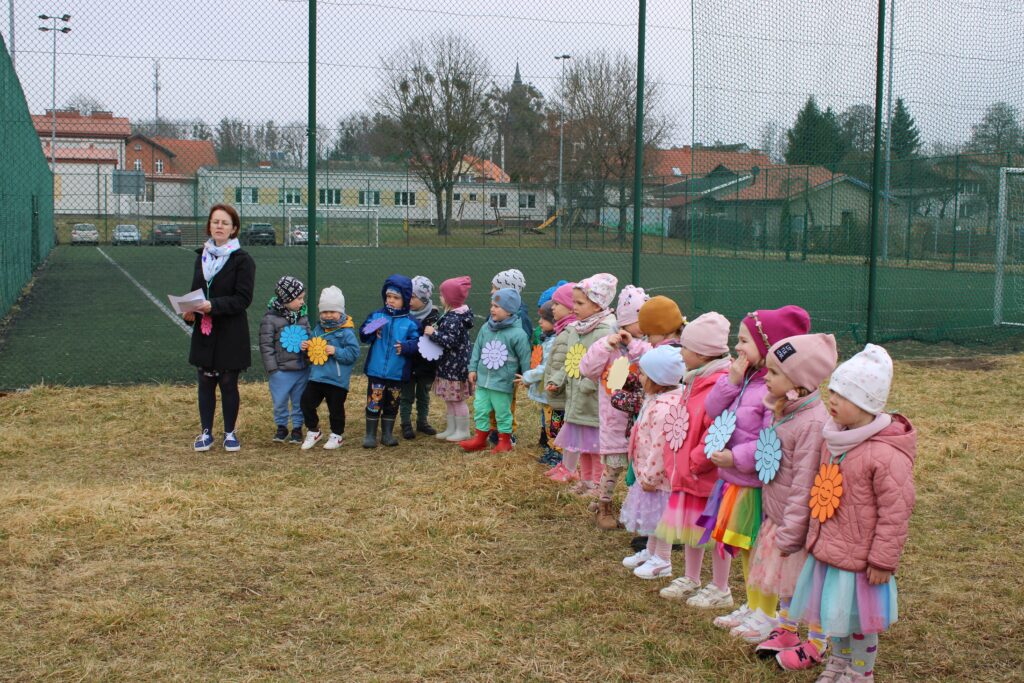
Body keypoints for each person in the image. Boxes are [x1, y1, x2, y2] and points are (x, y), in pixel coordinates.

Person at [789, 345, 915, 683]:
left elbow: (895, 512)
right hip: (831, 550)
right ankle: (838, 664)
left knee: (860, 622)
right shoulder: (834, 438)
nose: (832, 399)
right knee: (836, 614)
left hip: (861, 561)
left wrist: (882, 560)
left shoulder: (886, 455)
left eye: (842, 395)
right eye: (832, 390)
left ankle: (862, 673)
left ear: (867, 404)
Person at [690, 306, 811, 628]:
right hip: (734, 480)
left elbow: (773, 439)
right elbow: (714, 411)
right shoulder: (743, 380)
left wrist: (737, 457)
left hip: (755, 483)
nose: (737, 347)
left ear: (769, 345)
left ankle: (767, 612)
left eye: (743, 340)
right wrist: (730, 381)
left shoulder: (773, 392)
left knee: (761, 550)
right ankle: (752, 604)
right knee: (745, 548)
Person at [738, 334, 836, 663]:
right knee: (785, 582)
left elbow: (804, 483)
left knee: (807, 585)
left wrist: (791, 532)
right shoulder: (788, 411)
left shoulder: (811, 424)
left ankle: (818, 641)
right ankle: (787, 630)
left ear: (799, 383)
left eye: (775, 373)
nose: (766, 377)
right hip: (780, 516)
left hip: (799, 526)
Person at [655, 313, 733, 601]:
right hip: (690, 474)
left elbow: (717, 430)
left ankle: (721, 587)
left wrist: (696, 461)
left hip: (706, 476)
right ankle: (691, 577)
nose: (680, 352)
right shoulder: (694, 380)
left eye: (684, 347)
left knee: (715, 534)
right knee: (691, 528)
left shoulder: (718, 386)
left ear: (701, 353)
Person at [185, 203, 255, 453]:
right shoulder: (201, 257)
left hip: (230, 331)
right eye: (215, 222)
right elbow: (195, 291)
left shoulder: (242, 260)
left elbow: (243, 298)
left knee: (227, 382)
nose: (219, 226)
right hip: (205, 329)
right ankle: (206, 432)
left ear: (234, 228)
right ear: (209, 225)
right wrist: (189, 312)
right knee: (205, 381)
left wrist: (212, 305)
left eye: (225, 223)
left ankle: (229, 433)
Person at [579, 284, 649, 529]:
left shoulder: (646, 345)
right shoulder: (608, 345)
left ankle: (634, 506)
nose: (646, 324)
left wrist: (636, 346)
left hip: (642, 418)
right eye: (641, 319)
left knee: (640, 466)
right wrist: (605, 345)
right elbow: (587, 369)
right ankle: (605, 503)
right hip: (615, 418)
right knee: (615, 464)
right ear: (626, 321)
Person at [546, 274, 619, 490]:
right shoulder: (578, 329)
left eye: (580, 303)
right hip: (577, 398)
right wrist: (558, 379)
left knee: (594, 448)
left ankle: (596, 484)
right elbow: (571, 359)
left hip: (593, 401)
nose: (574, 307)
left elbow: (610, 368)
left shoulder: (605, 332)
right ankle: (585, 481)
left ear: (597, 305)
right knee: (583, 445)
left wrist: (589, 384)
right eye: (574, 302)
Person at [620, 345, 686, 579]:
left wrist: (651, 475)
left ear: (658, 379)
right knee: (653, 519)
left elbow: (661, 448)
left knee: (661, 519)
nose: (639, 376)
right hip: (647, 471)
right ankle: (650, 551)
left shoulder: (665, 408)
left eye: (644, 373)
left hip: (658, 476)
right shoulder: (655, 399)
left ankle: (663, 560)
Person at [460, 288, 533, 453]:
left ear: (509, 311)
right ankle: (480, 439)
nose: (492, 309)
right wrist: (472, 368)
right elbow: (477, 348)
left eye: (497, 306)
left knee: (502, 412)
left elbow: (524, 357)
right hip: (483, 381)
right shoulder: (486, 328)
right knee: (480, 409)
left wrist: (527, 377)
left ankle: (504, 441)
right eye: (491, 305)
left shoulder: (518, 334)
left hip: (502, 383)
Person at [358, 274, 421, 448]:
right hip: (376, 371)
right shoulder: (378, 316)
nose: (391, 301)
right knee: (374, 401)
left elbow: (418, 343)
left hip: (397, 372)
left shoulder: (411, 323)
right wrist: (372, 330)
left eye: (396, 297)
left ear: (406, 299)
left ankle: (387, 434)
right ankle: (370, 434)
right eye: (388, 296)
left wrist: (407, 347)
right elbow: (363, 334)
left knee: (392, 403)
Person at [298, 286, 360, 450]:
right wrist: (307, 347)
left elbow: (353, 354)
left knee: (336, 410)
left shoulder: (346, 332)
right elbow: (312, 353)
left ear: (341, 312)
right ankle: (313, 431)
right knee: (306, 403)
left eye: (332, 311)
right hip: (317, 377)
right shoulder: (318, 330)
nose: (328, 315)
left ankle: (337, 435)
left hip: (337, 380)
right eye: (325, 312)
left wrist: (336, 351)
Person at [259, 275, 311, 444]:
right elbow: (265, 345)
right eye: (299, 298)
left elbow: (309, 337)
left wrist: (308, 351)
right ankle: (281, 426)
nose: (302, 302)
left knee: (299, 401)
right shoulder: (270, 319)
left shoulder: (303, 317)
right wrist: (273, 369)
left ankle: (297, 428)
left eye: (303, 298)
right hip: (280, 371)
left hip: (301, 369)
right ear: (286, 298)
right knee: (280, 401)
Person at [427, 276, 475, 443]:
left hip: (456, 367)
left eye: (442, 294)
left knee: (457, 400)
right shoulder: (450, 315)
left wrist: (434, 334)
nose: (440, 297)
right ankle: (452, 428)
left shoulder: (455, 318)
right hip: (448, 365)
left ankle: (462, 430)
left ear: (449, 298)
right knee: (450, 399)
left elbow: (450, 341)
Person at [541, 282, 577, 476]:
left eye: (557, 303)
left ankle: (566, 463)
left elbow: (569, 361)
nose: (552, 307)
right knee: (557, 427)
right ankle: (563, 462)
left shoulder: (571, 331)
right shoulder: (562, 330)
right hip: (557, 392)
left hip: (564, 393)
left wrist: (557, 380)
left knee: (565, 430)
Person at [400, 276, 442, 440]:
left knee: (423, 394)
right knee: (406, 395)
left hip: (426, 364)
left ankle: (422, 422)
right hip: (408, 363)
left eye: (414, 297)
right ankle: (405, 423)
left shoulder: (434, 316)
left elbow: (437, 338)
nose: (409, 300)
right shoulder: (402, 313)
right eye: (408, 295)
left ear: (424, 298)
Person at [521, 301, 558, 465]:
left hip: (552, 392)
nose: (540, 322)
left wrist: (528, 377)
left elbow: (546, 367)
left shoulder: (554, 342)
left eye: (544, 318)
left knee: (554, 423)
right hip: (546, 392)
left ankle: (557, 453)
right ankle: (551, 448)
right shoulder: (547, 338)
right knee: (548, 421)